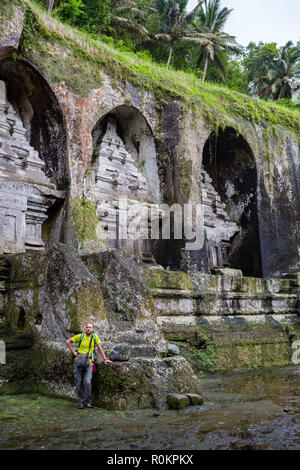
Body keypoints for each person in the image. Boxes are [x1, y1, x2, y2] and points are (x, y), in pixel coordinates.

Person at [66, 322, 112, 409]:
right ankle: (81, 402)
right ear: (85, 328)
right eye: (87, 327)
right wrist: (74, 352)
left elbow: (99, 348)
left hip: (89, 362)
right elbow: (68, 341)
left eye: (90, 327)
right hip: (78, 362)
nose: (88, 329)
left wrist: (105, 358)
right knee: (78, 382)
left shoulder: (95, 337)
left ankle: (88, 402)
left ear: (93, 329)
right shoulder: (80, 336)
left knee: (87, 382)